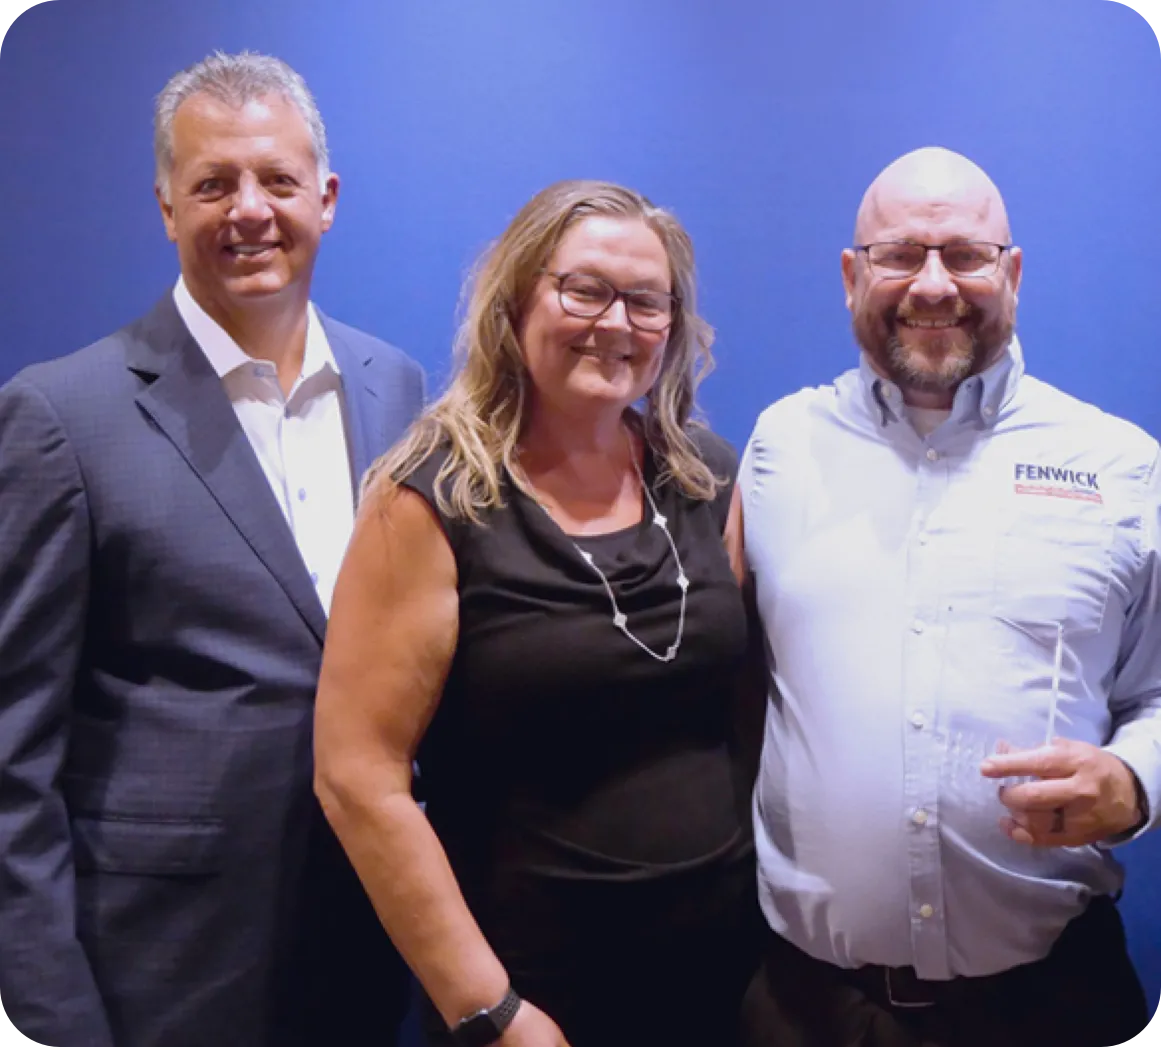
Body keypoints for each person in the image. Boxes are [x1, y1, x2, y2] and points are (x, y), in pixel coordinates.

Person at [0, 51, 424, 1047]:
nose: (249, 210)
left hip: (368, 958)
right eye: (213, 184)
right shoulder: (61, 416)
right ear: (164, 207)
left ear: (326, 198)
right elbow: (10, 764)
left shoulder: (397, 389)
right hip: (160, 973)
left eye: (276, 180)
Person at [314, 179, 761, 1047]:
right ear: (516, 298)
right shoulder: (429, 499)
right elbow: (356, 777)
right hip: (537, 1002)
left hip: (727, 983)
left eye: (645, 300)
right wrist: (489, 1011)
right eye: (584, 289)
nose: (616, 322)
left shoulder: (702, 473)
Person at [736, 146, 1158, 1047]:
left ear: (1011, 272)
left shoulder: (1120, 465)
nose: (933, 283)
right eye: (899, 254)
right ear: (851, 275)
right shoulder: (779, 447)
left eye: (964, 254)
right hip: (810, 1011)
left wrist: (1135, 779)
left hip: (1052, 1007)